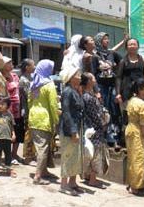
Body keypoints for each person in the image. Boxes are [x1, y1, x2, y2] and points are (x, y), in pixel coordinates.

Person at [28, 59, 59, 185]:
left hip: (33, 117)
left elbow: (29, 102)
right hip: (44, 119)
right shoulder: (49, 85)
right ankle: (38, 176)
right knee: (43, 149)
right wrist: (56, 121)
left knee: (40, 147)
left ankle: (44, 171)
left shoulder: (34, 83)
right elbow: (53, 105)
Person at [92, 32, 125, 145]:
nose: (107, 41)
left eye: (108, 39)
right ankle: (103, 136)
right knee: (103, 111)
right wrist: (96, 91)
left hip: (112, 86)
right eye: (105, 39)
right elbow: (93, 74)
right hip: (101, 87)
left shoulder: (111, 53)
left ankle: (114, 136)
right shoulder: (94, 55)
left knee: (114, 110)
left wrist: (117, 70)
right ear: (99, 41)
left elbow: (122, 62)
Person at [59, 66, 84, 196]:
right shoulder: (68, 92)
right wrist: (73, 131)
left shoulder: (76, 91)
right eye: (77, 74)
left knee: (75, 157)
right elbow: (66, 113)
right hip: (68, 130)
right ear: (71, 78)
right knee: (67, 157)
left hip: (75, 128)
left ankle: (72, 183)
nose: (80, 76)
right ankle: (63, 185)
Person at [124, 78, 144, 196]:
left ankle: (131, 183)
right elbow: (143, 125)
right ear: (141, 90)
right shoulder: (143, 105)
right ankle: (137, 187)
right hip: (136, 132)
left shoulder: (131, 100)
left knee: (131, 157)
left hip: (129, 129)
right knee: (139, 158)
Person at [81, 72, 106, 189]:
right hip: (94, 129)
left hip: (88, 128)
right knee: (95, 153)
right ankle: (92, 179)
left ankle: (86, 175)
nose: (95, 79)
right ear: (89, 81)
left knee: (89, 152)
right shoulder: (89, 97)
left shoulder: (86, 95)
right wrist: (103, 123)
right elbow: (95, 115)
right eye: (93, 77)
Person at [1, 56, 23, 165]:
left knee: (17, 131)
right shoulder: (0, 77)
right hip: (6, 108)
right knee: (7, 131)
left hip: (17, 108)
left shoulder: (15, 76)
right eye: (8, 63)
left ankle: (14, 154)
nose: (11, 64)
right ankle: (6, 155)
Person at [0, 97, 17, 179]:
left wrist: (13, 134)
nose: (0, 106)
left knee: (8, 155)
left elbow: (12, 126)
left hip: (8, 139)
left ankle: (8, 169)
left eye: (2, 104)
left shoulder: (10, 115)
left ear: (7, 106)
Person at [19, 58, 37, 166]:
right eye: (33, 65)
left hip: (32, 109)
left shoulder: (30, 78)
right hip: (27, 110)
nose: (34, 67)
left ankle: (32, 155)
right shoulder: (24, 80)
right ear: (27, 67)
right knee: (28, 134)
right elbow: (28, 95)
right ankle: (27, 157)